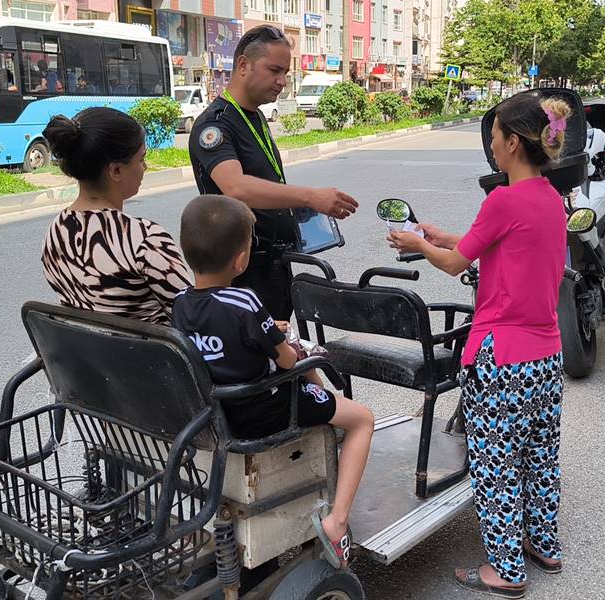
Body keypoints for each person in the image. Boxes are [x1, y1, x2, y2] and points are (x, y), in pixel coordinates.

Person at [389, 93, 572, 599]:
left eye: (494, 140)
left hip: (501, 356)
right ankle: (543, 544)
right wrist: (438, 235)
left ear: (513, 142)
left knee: (495, 461)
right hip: (545, 353)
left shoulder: (502, 200)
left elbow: (454, 265)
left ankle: (506, 570)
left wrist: (419, 246)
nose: (491, 149)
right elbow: (483, 245)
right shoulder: (549, 199)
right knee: (539, 455)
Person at [172, 194, 374, 569]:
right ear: (240, 259)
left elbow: (221, 341)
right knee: (362, 418)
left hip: (218, 413)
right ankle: (338, 520)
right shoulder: (245, 301)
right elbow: (285, 359)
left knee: (309, 379)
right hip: (265, 409)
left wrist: (267, 333)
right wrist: (284, 341)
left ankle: (325, 411)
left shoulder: (180, 303)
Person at [188, 25, 358, 320]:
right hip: (241, 271)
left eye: (286, 74)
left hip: (274, 266)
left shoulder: (254, 117)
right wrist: (309, 197)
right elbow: (236, 187)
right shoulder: (214, 126)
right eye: (274, 70)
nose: (281, 81)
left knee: (282, 354)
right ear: (243, 65)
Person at [41, 107, 191, 326]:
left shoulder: (55, 232)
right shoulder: (144, 239)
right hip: (147, 358)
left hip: (85, 358)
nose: (145, 167)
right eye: (141, 159)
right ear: (116, 171)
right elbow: (193, 317)